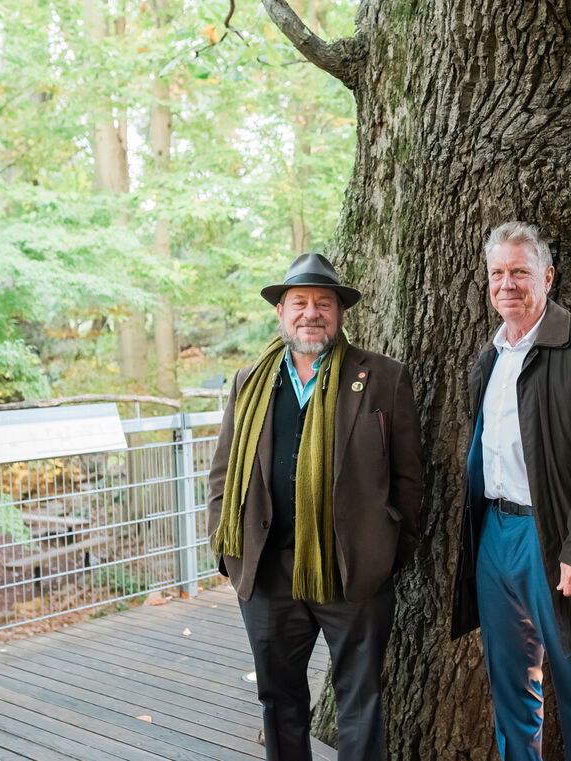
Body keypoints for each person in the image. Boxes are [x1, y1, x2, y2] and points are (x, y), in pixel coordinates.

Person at [206, 252, 422, 761]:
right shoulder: (248, 382)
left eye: (323, 303)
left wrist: (389, 550)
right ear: (280, 312)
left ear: (340, 313)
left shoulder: (384, 378)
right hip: (267, 570)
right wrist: (224, 547)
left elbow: (409, 479)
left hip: (353, 571)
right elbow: (221, 472)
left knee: (360, 696)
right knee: (278, 697)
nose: (311, 313)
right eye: (299, 302)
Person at [451, 222, 571, 761]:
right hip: (495, 532)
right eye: (497, 273)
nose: (507, 283)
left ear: (547, 276)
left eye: (520, 271)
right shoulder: (488, 360)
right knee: (509, 675)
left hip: (554, 536)